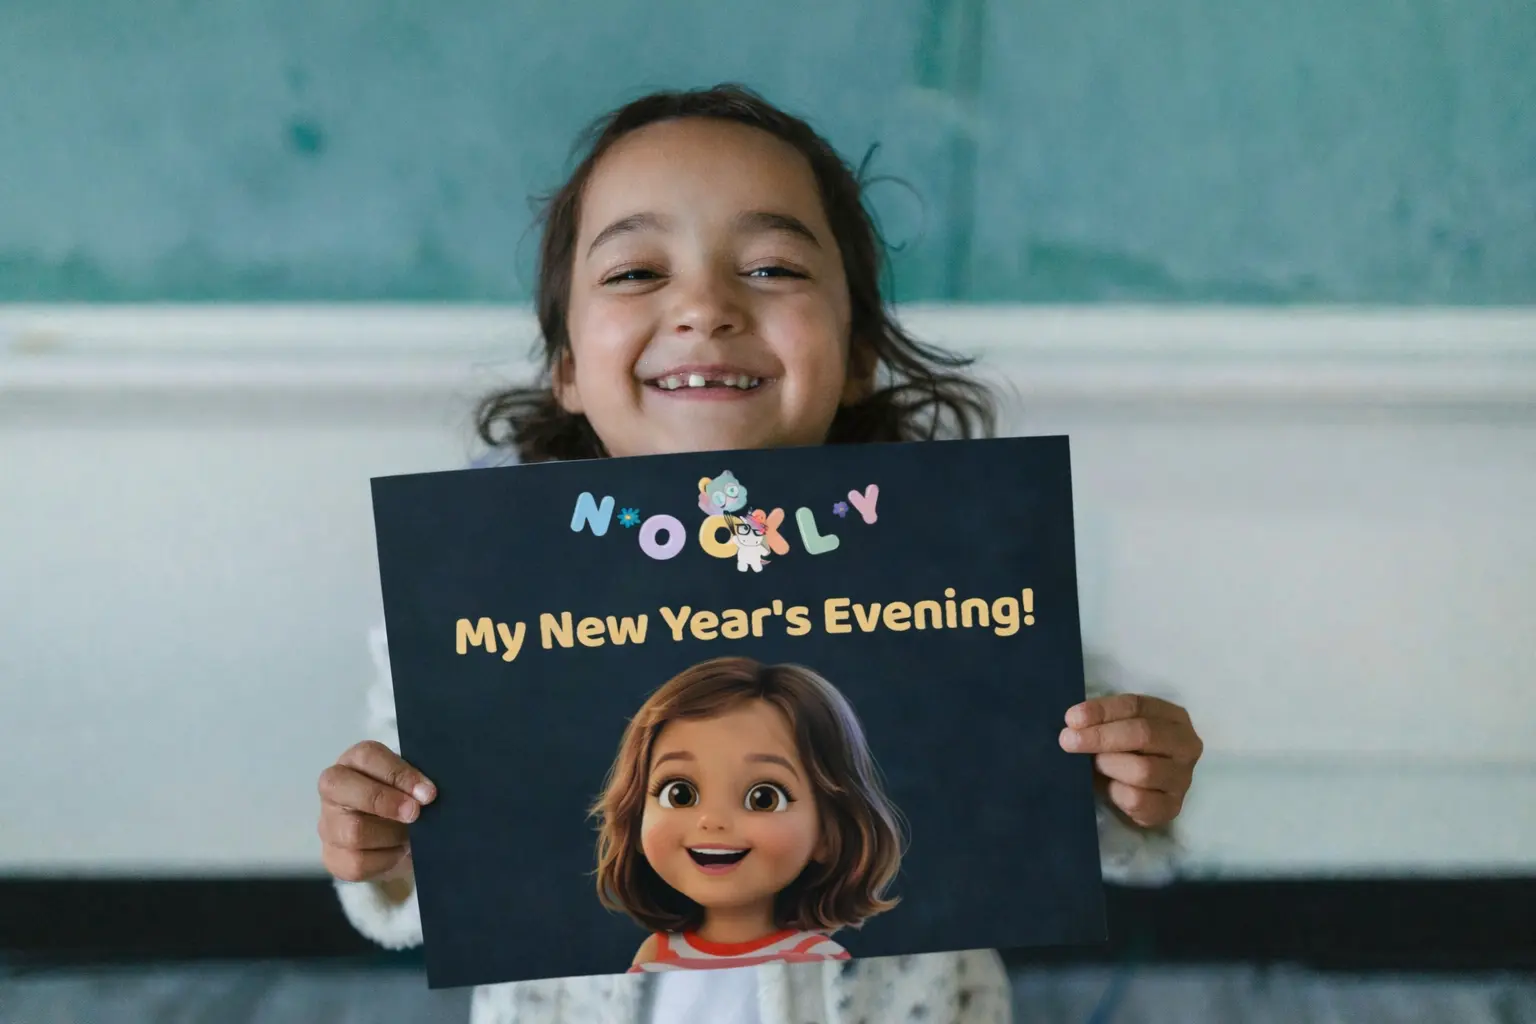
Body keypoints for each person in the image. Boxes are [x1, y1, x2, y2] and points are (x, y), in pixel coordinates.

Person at [317, 83, 1205, 1024]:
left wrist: (1127, 780)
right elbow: (415, 855)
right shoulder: (476, 596)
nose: (705, 306)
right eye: (634, 274)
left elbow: (1073, 767)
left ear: (859, 350)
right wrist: (387, 848)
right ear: (568, 366)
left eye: (774, 266)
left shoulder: (952, 562)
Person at [593, 657, 903, 973]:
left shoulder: (818, 961)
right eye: (680, 794)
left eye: (764, 799)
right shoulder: (655, 955)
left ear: (828, 834)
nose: (712, 820)